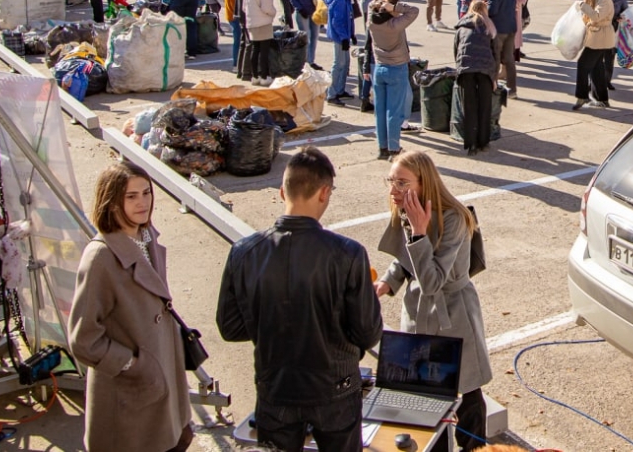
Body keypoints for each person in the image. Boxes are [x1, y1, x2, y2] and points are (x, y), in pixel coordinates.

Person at [217, 148, 382, 452]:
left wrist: (268, 325)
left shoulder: (244, 252)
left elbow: (230, 327)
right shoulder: (348, 253)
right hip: (335, 390)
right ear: (324, 192)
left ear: (282, 192)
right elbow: (367, 332)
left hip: (275, 388)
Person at [70, 162, 193, 452]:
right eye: (131, 196)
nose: (143, 203)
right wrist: (133, 365)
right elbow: (83, 339)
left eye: (146, 193)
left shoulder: (147, 239)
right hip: (129, 397)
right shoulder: (101, 257)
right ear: (112, 202)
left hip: (162, 387)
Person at [374, 152, 493, 449]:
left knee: (466, 391)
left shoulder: (454, 218)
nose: (393, 190)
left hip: (454, 315)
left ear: (424, 183)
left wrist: (418, 232)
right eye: (391, 180)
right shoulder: (406, 209)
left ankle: (475, 447)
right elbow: (406, 259)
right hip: (418, 315)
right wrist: (388, 282)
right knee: (424, 396)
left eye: (402, 182)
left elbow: (432, 281)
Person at [367, 0, 420, 159]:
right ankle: (394, 148)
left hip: (380, 69)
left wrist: (377, 4)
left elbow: (370, 8)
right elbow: (414, 11)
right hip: (397, 69)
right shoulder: (395, 25)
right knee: (394, 112)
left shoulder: (372, 23)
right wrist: (396, 7)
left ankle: (382, 148)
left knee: (380, 112)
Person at [454, 0, 499, 154]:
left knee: (469, 106)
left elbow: (456, 50)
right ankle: (483, 142)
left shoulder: (461, 27)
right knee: (484, 106)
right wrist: (494, 77)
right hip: (485, 68)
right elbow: (495, 54)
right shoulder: (489, 26)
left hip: (466, 68)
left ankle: (470, 144)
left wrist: (458, 70)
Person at [573, 0, 614, 110]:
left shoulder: (603, 0)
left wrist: (583, 6)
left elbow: (596, 17)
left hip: (601, 37)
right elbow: (588, 18)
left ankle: (582, 95)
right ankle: (602, 99)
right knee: (597, 68)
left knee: (583, 64)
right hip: (597, 36)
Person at [484, 0, 519, 98]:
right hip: (511, 27)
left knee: (495, 58)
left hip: (499, 28)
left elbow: (493, 9)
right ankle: (512, 90)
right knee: (509, 59)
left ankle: (494, 88)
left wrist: (485, 10)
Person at [243, 0, 278, 86]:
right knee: (264, 52)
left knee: (255, 49)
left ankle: (255, 76)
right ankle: (265, 76)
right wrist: (273, 13)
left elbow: (244, 7)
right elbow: (267, 7)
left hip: (251, 22)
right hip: (263, 22)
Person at [324, 0, 356, 105]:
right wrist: (344, 37)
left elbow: (348, 18)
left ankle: (340, 90)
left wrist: (351, 34)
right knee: (339, 64)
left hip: (344, 35)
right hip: (339, 37)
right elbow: (337, 21)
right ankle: (331, 94)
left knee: (345, 63)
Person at [290, 0, 324, 70]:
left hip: (314, 10)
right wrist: (300, 8)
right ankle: (303, 62)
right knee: (306, 37)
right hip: (303, 11)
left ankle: (311, 60)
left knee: (314, 36)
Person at [601, 0, 628, 91]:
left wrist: (622, 17)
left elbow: (626, 11)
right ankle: (593, 82)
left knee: (609, 58)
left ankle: (607, 81)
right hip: (600, 31)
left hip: (614, 31)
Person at [224, 0, 243, 70]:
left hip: (232, 17)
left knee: (238, 41)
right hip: (234, 19)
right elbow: (234, 6)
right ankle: (236, 64)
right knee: (237, 41)